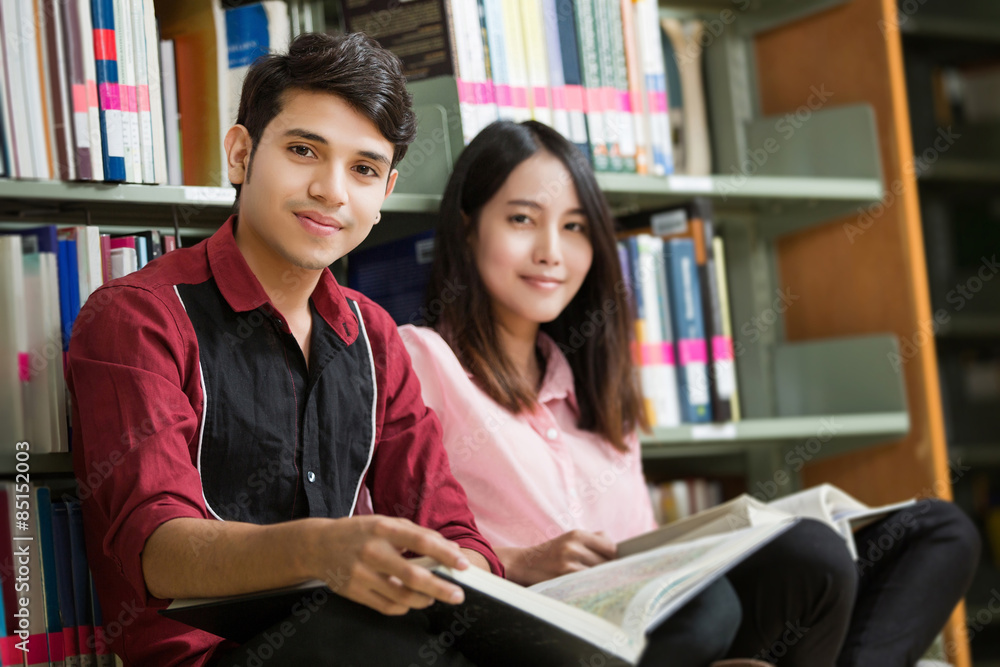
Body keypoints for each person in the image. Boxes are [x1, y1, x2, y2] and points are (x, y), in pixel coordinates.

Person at [400, 119, 981, 667]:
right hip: (540, 634)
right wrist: (518, 562)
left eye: (575, 227)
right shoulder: (423, 360)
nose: (553, 250)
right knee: (733, 599)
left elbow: (638, 555)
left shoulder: (601, 395)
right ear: (468, 226)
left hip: (649, 615)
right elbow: (390, 541)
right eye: (523, 219)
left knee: (934, 532)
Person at [67, 33, 502, 667]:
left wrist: (460, 571)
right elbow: (158, 553)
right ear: (241, 154)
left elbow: (453, 530)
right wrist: (321, 551)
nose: (332, 191)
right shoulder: (138, 318)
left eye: (364, 169)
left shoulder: (375, 335)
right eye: (304, 150)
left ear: (384, 194)